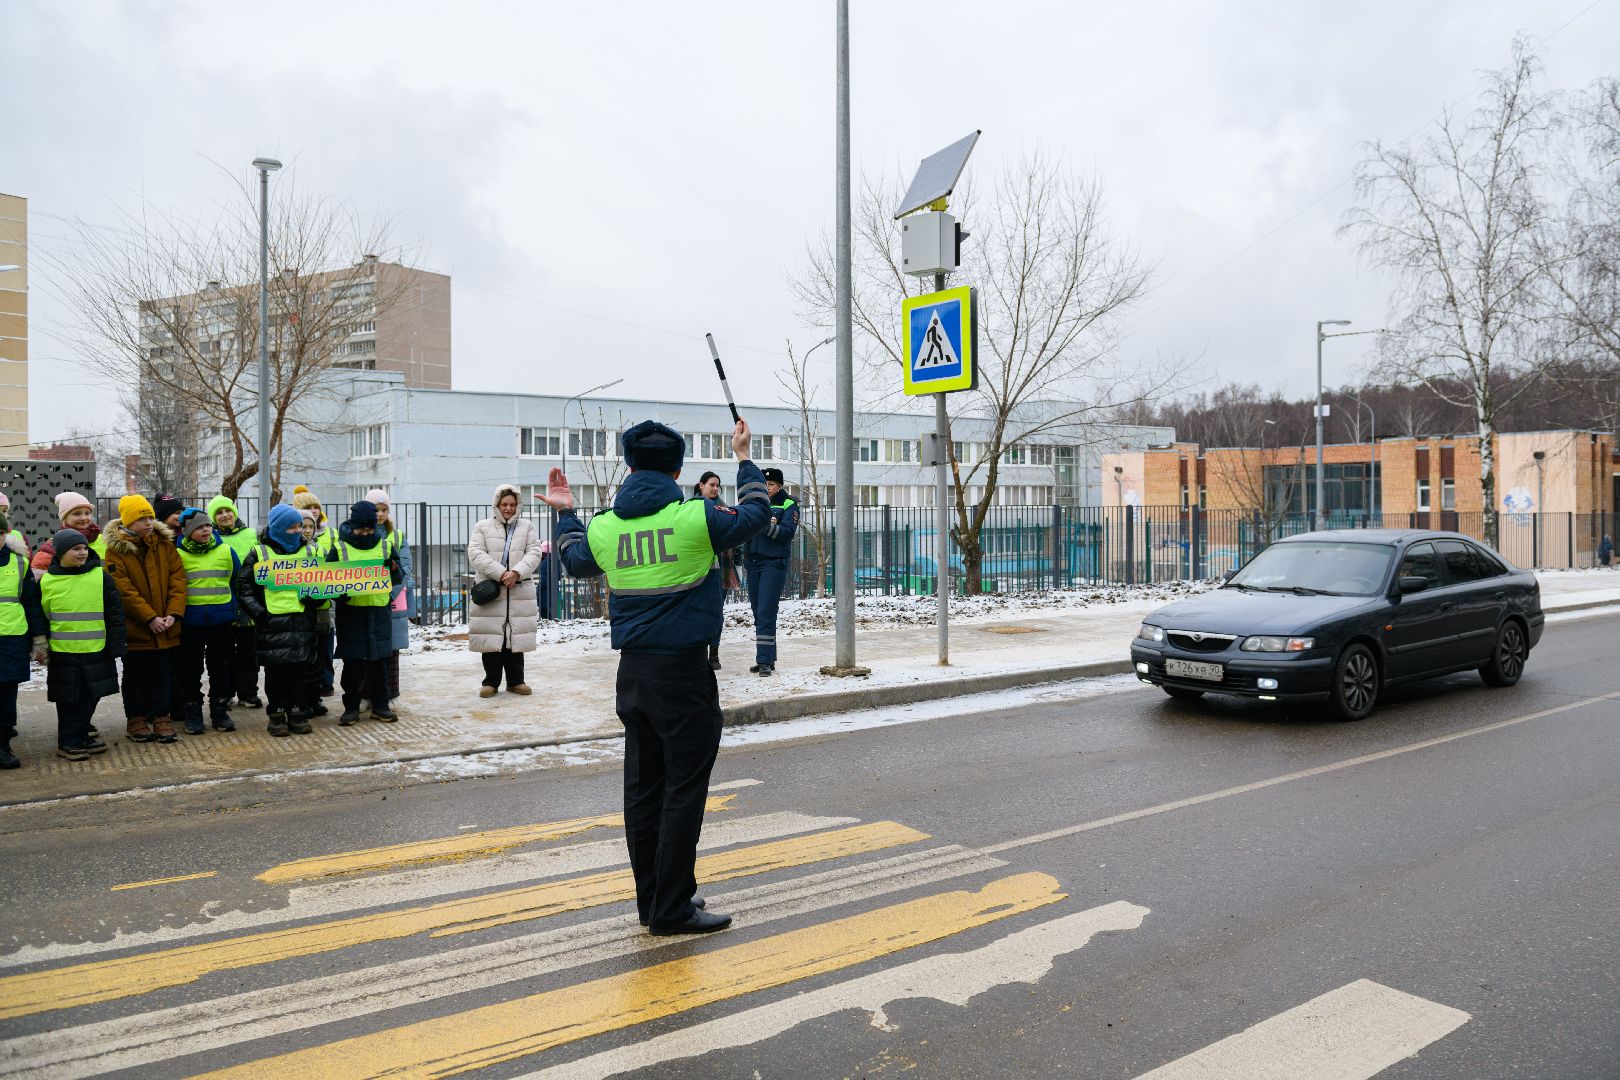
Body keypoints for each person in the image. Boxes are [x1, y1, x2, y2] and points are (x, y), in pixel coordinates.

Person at [544, 417, 770, 935]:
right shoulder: (695, 517)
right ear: (677, 467)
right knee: (683, 790)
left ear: (627, 465)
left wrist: (566, 515)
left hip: (634, 677)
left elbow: (574, 560)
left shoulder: (606, 526)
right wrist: (743, 459)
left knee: (643, 791)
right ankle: (672, 907)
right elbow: (756, 513)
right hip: (684, 675)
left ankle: (654, 902)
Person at [103, 495, 187, 744]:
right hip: (137, 628)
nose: (149, 522)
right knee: (135, 674)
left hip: (165, 625)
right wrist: (149, 617)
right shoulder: (116, 550)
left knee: (162, 672)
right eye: (142, 519)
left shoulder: (165, 545)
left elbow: (178, 581)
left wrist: (172, 614)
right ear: (129, 521)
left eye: (150, 517)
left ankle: (162, 717)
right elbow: (123, 591)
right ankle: (136, 719)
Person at [233, 504, 321, 737]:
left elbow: (322, 584)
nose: (297, 531)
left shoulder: (311, 551)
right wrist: (261, 615)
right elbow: (244, 589)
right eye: (291, 527)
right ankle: (277, 715)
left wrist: (315, 599)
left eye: (299, 526)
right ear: (279, 528)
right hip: (272, 624)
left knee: (300, 673)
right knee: (276, 674)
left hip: (302, 623)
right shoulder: (259, 553)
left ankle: (298, 712)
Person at [41, 528, 125, 761]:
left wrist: (117, 644)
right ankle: (68, 740)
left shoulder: (100, 577)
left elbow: (115, 612)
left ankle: (80, 734)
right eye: (75, 549)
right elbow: (43, 615)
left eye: (84, 548)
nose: (82, 553)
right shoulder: (48, 580)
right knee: (68, 697)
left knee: (91, 695)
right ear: (60, 553)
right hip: (63, 651)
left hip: (95, 648)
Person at [327, 501, 404, 725]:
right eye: (360, 529)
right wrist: (338, 595)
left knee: (379, 662)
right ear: (352, 527)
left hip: (379, 612)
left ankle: (380, 706)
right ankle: (350, 708)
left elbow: (396, 577)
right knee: (352, 663)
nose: (365, 533)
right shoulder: (340, 548)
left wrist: (393, 568)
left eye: (369, 528)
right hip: (351, 613)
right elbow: (329, 580)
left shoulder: (385, 547)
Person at [468, 485, 543, 697]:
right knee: (491, 638)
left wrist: (517, 572)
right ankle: (490, 682)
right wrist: (502, 573)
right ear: (497, 505)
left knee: (515, 636)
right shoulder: (482, 527)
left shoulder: (527, 527)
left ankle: (516, 681)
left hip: (519, 589)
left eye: (512, 504)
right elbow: (475, 553)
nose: (508, 508)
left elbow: (535, 552)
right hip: (492, 589)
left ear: (517, 505)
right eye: (504, 504)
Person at [174, 507, 239, 735]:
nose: (205, 530)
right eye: (199, 527)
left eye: (207, 526)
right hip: (190, 623)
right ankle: (192, 713)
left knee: (220, 668)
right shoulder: (177, 554)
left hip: (220, 621)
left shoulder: (225, 551)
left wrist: (234, 610)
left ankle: (220, 711)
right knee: (190, 669)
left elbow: (235, 581)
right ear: (186, 531)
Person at [0, 513, 46, 770]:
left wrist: (38, 639)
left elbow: (32, 603)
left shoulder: (19, 563)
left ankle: (3, 745)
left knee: (6, 696)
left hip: (11, 639)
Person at [208, 495, 263, 709]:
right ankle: (226, 691)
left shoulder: (250, 534)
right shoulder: (211, 538)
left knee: (249, 652)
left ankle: (248, 693)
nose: (224, 515)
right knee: (225, 652)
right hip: (225, 603)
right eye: (219, 513)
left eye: (227, 510)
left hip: (249, 603)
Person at [744, 467, 798, 677]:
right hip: (754, 563)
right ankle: (768, 656)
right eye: (764, 485)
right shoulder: (755, 504)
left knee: (766, 611)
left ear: (780, 486)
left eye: (772, 485)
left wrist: (765, 525)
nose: (767, 488)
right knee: (759, 613)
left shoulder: (788, 504)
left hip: (773, 564)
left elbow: (787, 533)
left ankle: (764, 660)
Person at [692, 470, 741, 670]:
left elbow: (734, 534)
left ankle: (714, 653)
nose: (714, 488)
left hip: (721, 570)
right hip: (698, 571)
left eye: (717, 485)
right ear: (700, 485)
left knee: (716, 613)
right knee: (698, 612)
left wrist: (737, 556)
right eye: (711, 484)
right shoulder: (690, 509)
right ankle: (699, 652)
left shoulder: (724, 509)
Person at [368, 490, 414, 701]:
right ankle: (367, 695)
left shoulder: (397, 536)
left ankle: (390, 695)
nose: (380, 514)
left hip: (393, 601)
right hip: (367, 600)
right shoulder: (358, 535)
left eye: (384, 509)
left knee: (391, 651)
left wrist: (389, 592)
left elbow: (404, 568)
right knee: (368, 650)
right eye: (376, 509)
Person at [290, 489, 336, 698]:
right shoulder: (289, 550)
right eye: (308, 507)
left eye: (316, 506)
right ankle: (305, 694)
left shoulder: (326, 541)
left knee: (323, 648)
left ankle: (322, 686)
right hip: (297, 606)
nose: (314, 510)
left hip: (322, 605)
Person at [31, 492, 105, 580]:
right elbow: (37, 577)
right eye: (77, 514)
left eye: (87, 513)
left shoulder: (104, 540)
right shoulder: (53, 544)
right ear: (64, 518)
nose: (84, 518)